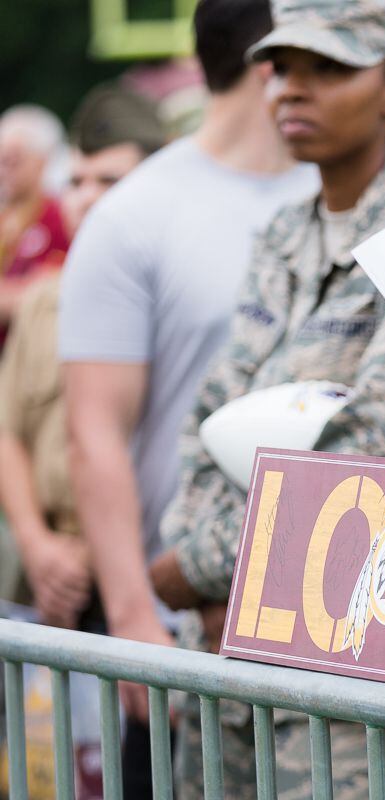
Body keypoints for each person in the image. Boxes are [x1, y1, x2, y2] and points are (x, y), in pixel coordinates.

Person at [144, 0, 385, 796]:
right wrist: (205, 565)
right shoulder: (284, 235)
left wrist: (197, 564)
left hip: (349, 680)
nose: (290, 91)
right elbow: (209, 420)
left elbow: (380, 468)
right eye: (281, 68)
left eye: (327, 69)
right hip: (229, 659)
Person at [59, 0, 315, 721]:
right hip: (187, 620)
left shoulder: (343, 198)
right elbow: (94, 431)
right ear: (273, 62)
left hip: (328, 618)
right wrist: (134, 620)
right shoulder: (134, 215)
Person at [0, 86, 165, 632]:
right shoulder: (45, 298)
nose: (87, 198)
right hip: (47, 571)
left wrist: (91, 553)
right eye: (75, 181)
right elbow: (7, 431)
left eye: (110, 182)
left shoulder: (176, 299)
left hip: (144, 566)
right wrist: (36, 543)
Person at [0, 105, 70, 345]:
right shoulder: (6, 216)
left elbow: (44, 294)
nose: (3, 171)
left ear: (42, 162)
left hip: (29, 354)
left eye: (13, 161)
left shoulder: (58, 216)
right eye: (1, 160)